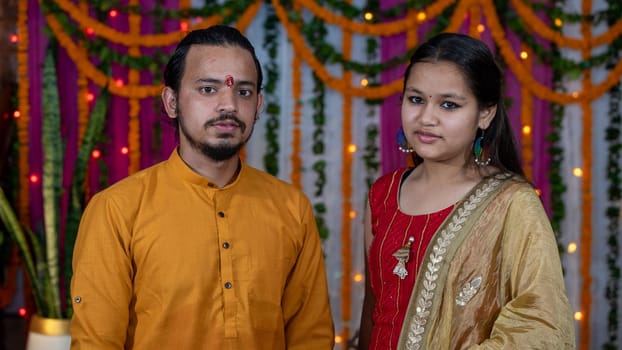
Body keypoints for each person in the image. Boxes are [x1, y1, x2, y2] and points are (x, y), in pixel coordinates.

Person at [70, 25, 334, 350]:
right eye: (208, 90)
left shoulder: (291, 208)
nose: (229, 105)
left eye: (244, 92)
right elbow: (96, 344)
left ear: (259, 104)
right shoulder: (117, 210)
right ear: (171, 102)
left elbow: (311, 338)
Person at [358, 33, 575, 350]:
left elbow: (543, 325)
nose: (426, 118)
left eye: (448, 104)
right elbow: (373, 311)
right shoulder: (383, 193)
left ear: (485, 113)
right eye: (416, 99)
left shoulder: (512, 203)